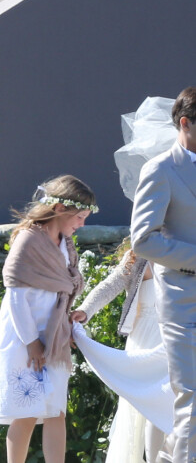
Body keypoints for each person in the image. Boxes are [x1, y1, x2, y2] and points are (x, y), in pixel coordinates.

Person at [0, 174, 98, 463]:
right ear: (60, 209)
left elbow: (62, 290)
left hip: (53, 334)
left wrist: (66, 325)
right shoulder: (29, 239)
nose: (82, 224)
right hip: (25, 335)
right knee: (27, 410)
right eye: (79, 216)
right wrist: (32, 342)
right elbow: (17, 296)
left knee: (56, 409)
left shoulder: (65, 243)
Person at [131, 86, 196, 463]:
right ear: (184, 123)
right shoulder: (159, 170)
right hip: (185, 302)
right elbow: (143, 241)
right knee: (192, 400)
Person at [71, 242, 168, 462]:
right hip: (143, 339)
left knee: (165, 401)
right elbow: (111, 285)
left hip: (172, 336)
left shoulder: (184, 251)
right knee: (144, 406)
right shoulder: (137, 256)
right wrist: (86, 310)